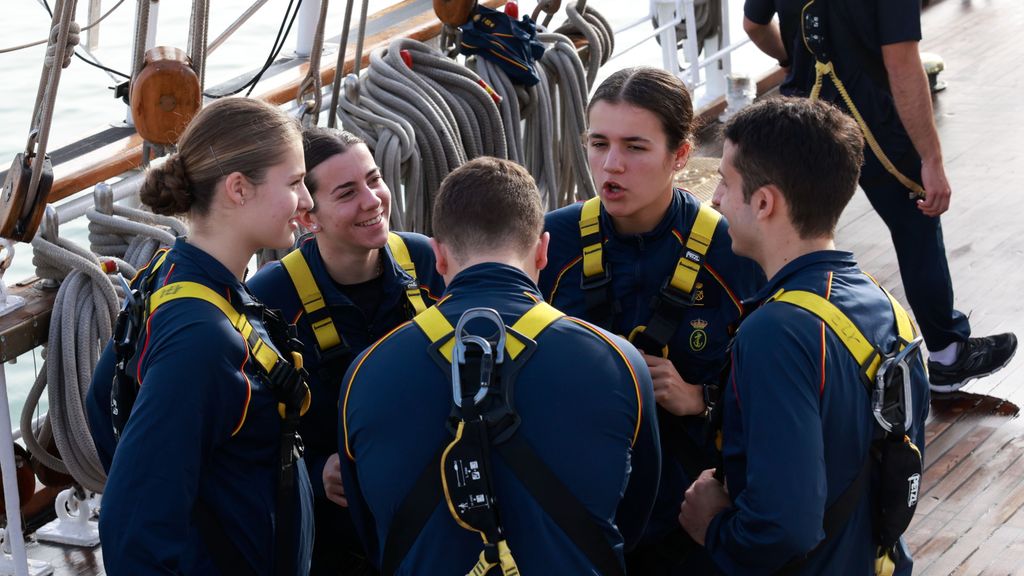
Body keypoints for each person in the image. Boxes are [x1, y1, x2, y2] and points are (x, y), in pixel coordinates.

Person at [339, 157, 661, 574]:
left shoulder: (366, 372)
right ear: (544, 251)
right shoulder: (619, 362)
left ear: (437, 257)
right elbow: (636, 516)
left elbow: (369, 530)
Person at [679, 97, 930, 574]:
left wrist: (713, 527)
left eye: (725, 183)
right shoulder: (885, 306)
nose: (714, 199)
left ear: (765, 201)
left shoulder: (776, 333)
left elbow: (786, 526)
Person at [538, 65, 763, 573]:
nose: (610, 165)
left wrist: (700, 399)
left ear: (680, 155)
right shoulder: (549, 247)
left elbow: (776, 395)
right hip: (584, 512)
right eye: (599, 143)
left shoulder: (734, 255)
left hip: (692, 516)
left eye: (635, 147)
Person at [85, 97, 315, 575]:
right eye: (294, 183)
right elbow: (133, 528)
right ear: (238, 188)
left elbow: (100, 398)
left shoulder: (171, 275)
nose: (307, 201)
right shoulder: (202, 339)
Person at [742, 0, 1016, 392]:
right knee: (915, 226)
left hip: (804, 114)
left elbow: (754, 25)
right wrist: (932, 160)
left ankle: (775, 343)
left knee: (787, 231)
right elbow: (902, 65)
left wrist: (792, 56)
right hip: (874, 121)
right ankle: (947, 356)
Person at [247, 126, 444, 575]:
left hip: (434, 513)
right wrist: (316, 473)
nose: (373, 200)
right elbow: (248, 435)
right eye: (347, 192)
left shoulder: (429, 263)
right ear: (308, 218)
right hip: (332, 538)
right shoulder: (271, 300)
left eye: (374, 179)